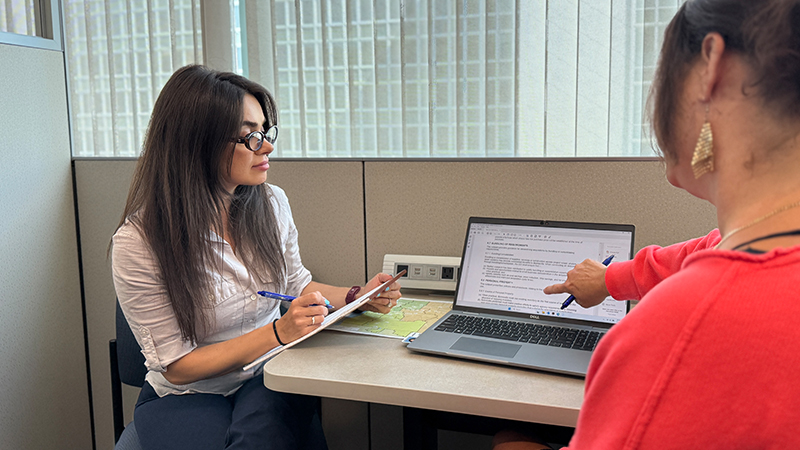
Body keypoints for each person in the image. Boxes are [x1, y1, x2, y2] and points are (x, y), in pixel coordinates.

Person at [495, 0, 800, 448]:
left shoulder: (677, 331)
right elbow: (701, 254)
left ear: (709, 70)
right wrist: (609, 279)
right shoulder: (758, 245)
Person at [111, 64, 401, 450]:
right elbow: (178, 367)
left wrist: (357, 297)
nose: (266, 146)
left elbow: (297, 286)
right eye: (250, 137)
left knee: (260, 434)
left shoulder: (271, 203)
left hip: (267, 373)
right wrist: (277, 332)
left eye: (265, 132)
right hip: (189, 393)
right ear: (197, 144)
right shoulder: (139, 243)